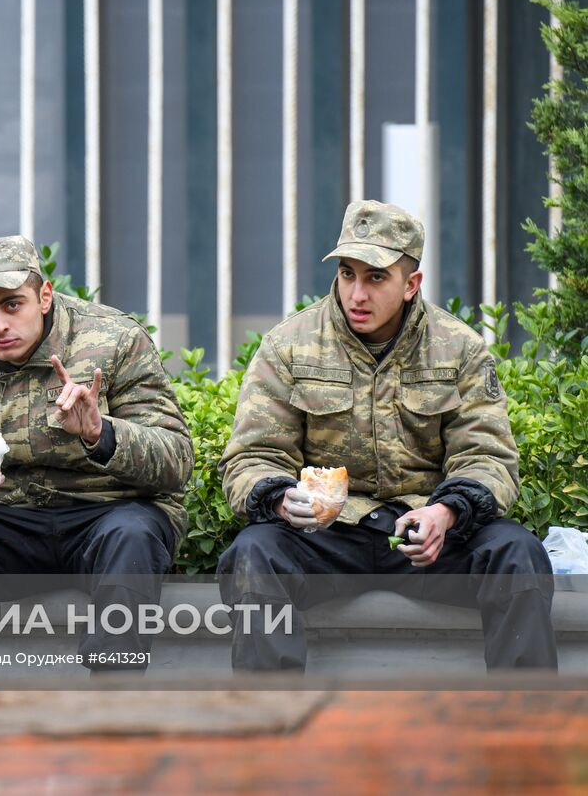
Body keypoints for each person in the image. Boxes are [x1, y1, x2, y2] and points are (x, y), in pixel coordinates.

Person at [219, 200, 555, 671]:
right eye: (347, 273)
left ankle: (527, 730)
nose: (357, 293)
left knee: (517, 552)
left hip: (425, 537)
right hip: (327, 538)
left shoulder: (459, 348)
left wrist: (447, 512)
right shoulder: (288, 346)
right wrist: (279, 499)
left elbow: (488, 457)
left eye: (376, 277)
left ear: (411, 285)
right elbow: (251, 456)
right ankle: (274, 728)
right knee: (253, 553)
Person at [0, 235, 194, 676]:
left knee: (134, 534)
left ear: (44, 296)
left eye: (12, 305)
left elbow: (178, 460)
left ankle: (116, 698)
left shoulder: (114, 339)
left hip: (106, 516)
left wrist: (100, 433)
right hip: (3, 521)